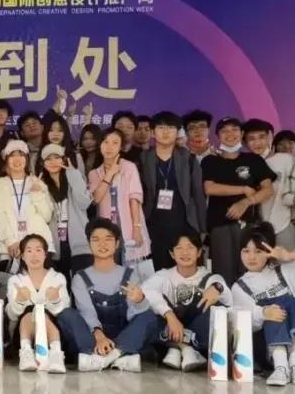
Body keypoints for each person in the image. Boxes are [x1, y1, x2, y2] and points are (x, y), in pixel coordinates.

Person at [231, 223, 295, 386]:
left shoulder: (286, 272)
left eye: (258, 251)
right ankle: (281, 366)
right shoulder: (240, 287)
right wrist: (263, 313)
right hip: (267, 352)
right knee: (273, 309)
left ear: (269, 252)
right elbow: (239, 321)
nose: (251, 257)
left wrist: (291, 255)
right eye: (246, 251)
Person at [56, 219, 159, 372]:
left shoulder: (130, 274)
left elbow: (134, 315)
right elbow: (87, 312)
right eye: (96, 240)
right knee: (66, 315)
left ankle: (108, 356)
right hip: (92, 337)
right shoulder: (80, 278)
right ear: (89, 244)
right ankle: (119, 356)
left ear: (117, 244)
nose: (102, 244)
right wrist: (99, 336)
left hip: (124, 334)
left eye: (108, 239)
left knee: (149, 315)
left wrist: (140, 300)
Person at [201, 117, 276, 284]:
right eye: (224, 131)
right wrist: (243, 190)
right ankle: (225, 301)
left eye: (234, 129)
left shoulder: (253, 160)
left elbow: (268, 190)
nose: (230, 134)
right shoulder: (210, 161)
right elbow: (210, 188)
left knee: (249, 272)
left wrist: (246, 202)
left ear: (242, 133)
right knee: (223, 274)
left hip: (248, 224)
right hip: (219, 225)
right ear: (217, 136)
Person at [143, 232, 231, 371]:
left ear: (199, 252)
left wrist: (217, 288)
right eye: (179, 248)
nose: (185, 253)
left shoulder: (208, 277)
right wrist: (170, 316)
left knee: (215, 308)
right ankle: (185, 349)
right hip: (170, 328)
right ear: (172, 254)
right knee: (148, 310)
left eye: (190, 247)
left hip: (196, 333)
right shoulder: (164, 275)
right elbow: (145, 291)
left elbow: (227, 296)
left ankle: (177, 348)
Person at [140, 112, 207, 271]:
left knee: (185, 271)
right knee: (157, 272)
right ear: (152, 132)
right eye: (161, 127)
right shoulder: (143, 159)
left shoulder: (189, 159)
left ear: (178, 132)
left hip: (184, 223)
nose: (166, 132)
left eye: (170, 128)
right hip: (153, 225)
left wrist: (203, 229)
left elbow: (198, 196)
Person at [88, 128, 148, 277]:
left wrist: (137, 228)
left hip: (128, 226)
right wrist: (109, 174)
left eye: (115, 143)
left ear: (121, 147)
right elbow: (96, 199)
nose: (109, 147)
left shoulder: (129, 167)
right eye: (106, 142)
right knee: (110, 270)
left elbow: (135, 198)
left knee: (132, 274)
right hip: (107, 229)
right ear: (100, 145)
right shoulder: (94, 173)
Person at [5, 235, 69, 373]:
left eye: (38, 250)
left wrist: (55, 299)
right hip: (22, 333)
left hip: (53, 332)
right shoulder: (15, 280)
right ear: (22, 256)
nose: (34, 255)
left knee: (41, 311)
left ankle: (56, 353)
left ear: (45, 254)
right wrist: (19, 300)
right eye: (29, 251)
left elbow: (65, 310)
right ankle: (26, 352)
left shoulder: (58, 278)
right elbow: (11, 314)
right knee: (30, 310)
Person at [0, 140, 53, 265]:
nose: (17, 159)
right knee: (10, 277)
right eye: (12, 155)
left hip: (38, 245)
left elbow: (47, 216)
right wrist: (10, 241)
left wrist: (37, 194)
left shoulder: (37, 182)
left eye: (21, 155)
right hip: (10, 247)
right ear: (6, 160)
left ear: (27, 159)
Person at [243, 118, 295, 249]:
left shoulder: (286, 160)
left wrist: (294, 218)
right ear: (244, 141)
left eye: (261, 137)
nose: (257, 143)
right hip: (255, 229)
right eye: (251, 139)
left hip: (284, 224)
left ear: (270, 136)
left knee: (288, 261)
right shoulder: (244, 165)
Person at [41, 144, 92, 277]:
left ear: (63, 159)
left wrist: (73, 174)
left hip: (78, 241)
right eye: (48, 159)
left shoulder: (74, 177)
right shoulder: (41, 185)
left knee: (82, 282)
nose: (53, 162)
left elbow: (84, 203)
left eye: (56, 157)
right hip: (55, 244)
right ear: (43, 163)